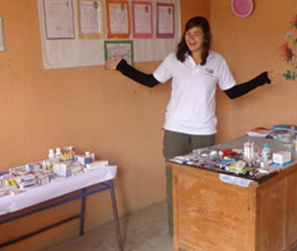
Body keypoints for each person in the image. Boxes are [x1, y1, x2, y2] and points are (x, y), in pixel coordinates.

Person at [106, 16, 277, 235]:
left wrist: (262, 79)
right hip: (175, 128)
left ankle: (200, 228)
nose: (191, 38)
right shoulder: (174, 60)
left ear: (206, 37)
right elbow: (151, 81)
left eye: (196, 33)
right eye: (188, 33)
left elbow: (232, 92)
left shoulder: (217, 61)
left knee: (202, 181)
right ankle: (177, 230)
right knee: (174, 181)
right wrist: (123, 67)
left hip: (204, 131)